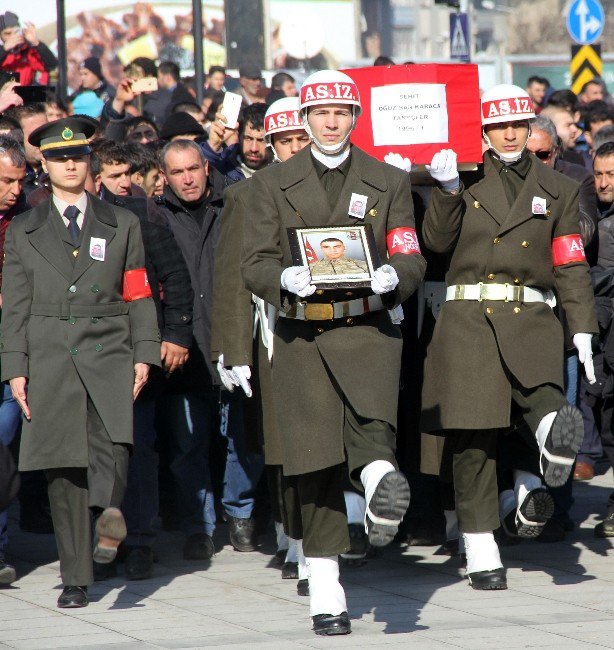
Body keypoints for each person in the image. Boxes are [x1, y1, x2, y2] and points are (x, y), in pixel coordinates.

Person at [241, 69, 426, 635]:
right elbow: (252, 262)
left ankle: (377, 492)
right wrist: (281, 280)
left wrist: (399, 275)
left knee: (373, 432)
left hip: (366, 331)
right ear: (304, 118)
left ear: (355, 117)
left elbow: (409, 250)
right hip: (301, 339)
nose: (330, 122)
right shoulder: (271, 184)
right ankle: (326, 590)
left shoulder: (385, 179)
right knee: (314, 467)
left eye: (341, 113)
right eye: (320, 114)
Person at [420, 84, 598, 590]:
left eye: (517, 124)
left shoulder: (557, 187)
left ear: (528, 126)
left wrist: (583, 327)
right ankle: (480, 546)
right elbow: (434, 244)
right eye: (499, 126)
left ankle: (551, 440)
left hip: (530, 315)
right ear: (483, 132)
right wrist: (447, 190)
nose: (509, 134)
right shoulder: (465, 178)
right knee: (473, 439)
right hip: (469, 317)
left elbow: (569, 264)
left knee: (544, 396)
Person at [0, 116, 160, 607]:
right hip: (48, 351)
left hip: (108, 346)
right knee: (62, 468)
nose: (70, 164)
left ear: (89, 161)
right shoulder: (25, 230)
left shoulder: (123, 223)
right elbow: (16, 304)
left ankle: (109, 512)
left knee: (116, 445)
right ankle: (75, 576)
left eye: (78, 156)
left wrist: (145, 353)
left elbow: (138, 293)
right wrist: (15, 367)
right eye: (58, 158)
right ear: (43, 167)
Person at [211, 96, 312, 577]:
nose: (293, 148)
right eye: (284, 140)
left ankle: (327, 531)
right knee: (280, 440)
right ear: (269, 144)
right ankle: (294, 536)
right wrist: (233, 349)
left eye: (300, 138)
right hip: (272, 329)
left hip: (331, 326)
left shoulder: (333, 186)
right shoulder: (246, 196)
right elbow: (231, 277)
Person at [156, 139, 263, 559]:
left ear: (206, 167)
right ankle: (199, 525)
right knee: (188, 444)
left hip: (233, 340)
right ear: (165, 176)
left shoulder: (234, 202)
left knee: (242, 438)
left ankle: (240, 514)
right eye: (177, 172)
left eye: (192, 170)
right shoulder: (157, 216)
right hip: (185, 349)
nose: (187, 179)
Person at [0, 135, 26, 586]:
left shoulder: (27, 220)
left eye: (20, 181)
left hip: (14, 354)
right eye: (6, 181)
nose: (15, 190)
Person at [203, 103, 269, 183]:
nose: (253, 148)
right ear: (239, 135)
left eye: (261, 140)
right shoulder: (223, 169)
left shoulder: (282, 170)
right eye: (248, 138)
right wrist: (213, 145)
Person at [0, 12, 57, 86]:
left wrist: (36, 43)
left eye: (16, 32)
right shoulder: (2, 51)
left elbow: (53, 66)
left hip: (24, 94)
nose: (13, 36)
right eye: (8, 33)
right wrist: (4, 49)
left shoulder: (28, 51)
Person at [4, 103, 47, 197]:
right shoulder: (4, 169)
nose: (42, 139)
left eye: (45, 132)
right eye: (34, 134)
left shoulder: (59, 167)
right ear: (16, 135)